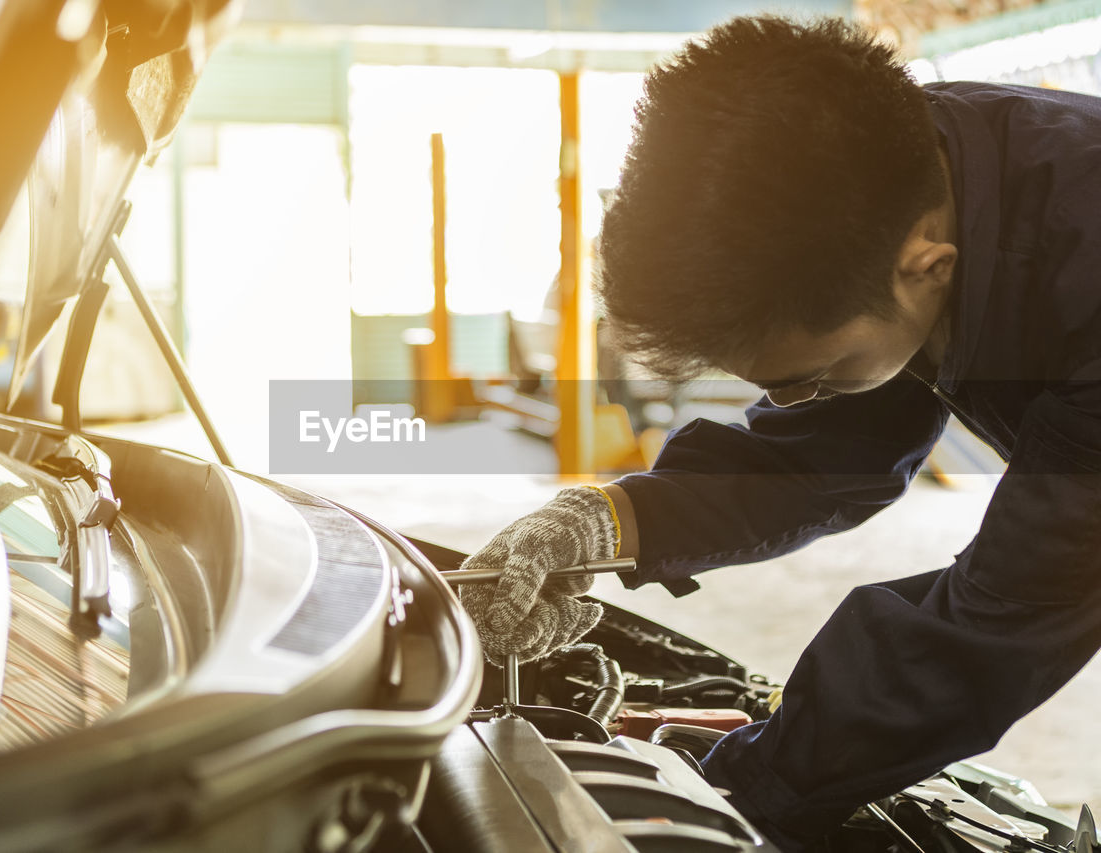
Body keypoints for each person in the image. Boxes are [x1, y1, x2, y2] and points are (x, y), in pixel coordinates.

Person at [458, 14, 1101, 851]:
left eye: (811, 376)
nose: (796, 403)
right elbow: (832, 447)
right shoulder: (894, 176)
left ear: (926, 265)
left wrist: (735, 791)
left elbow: (999, 618)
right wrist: (611, 525)